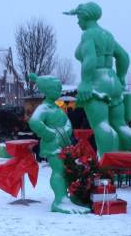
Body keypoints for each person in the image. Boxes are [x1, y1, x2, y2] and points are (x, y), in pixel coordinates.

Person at [64, 2, 131, 157]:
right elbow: (123, 56)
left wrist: (86, 81)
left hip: (97, 82)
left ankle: (107, 165)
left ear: (85, 16)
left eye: (78, 17)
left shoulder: (88, 34)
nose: (77, 21)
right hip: (113, 80)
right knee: (120, 125)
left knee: (102, 125)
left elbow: (90, 58)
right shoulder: (107, 35)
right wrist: (121, 77)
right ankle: (128, 163)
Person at [28, 73, 90, 214]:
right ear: (47, 90)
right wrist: (49, 134)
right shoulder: (43, 108)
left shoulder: (56, 108)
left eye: (59, 89)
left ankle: (68, 197)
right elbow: (34, 122)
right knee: (59, 171)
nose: (58, 92)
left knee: (66, 170)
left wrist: (67, 128)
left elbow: (67, 121)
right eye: (56, 89)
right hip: (53, 145)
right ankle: (60, 200)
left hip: (64, 143)